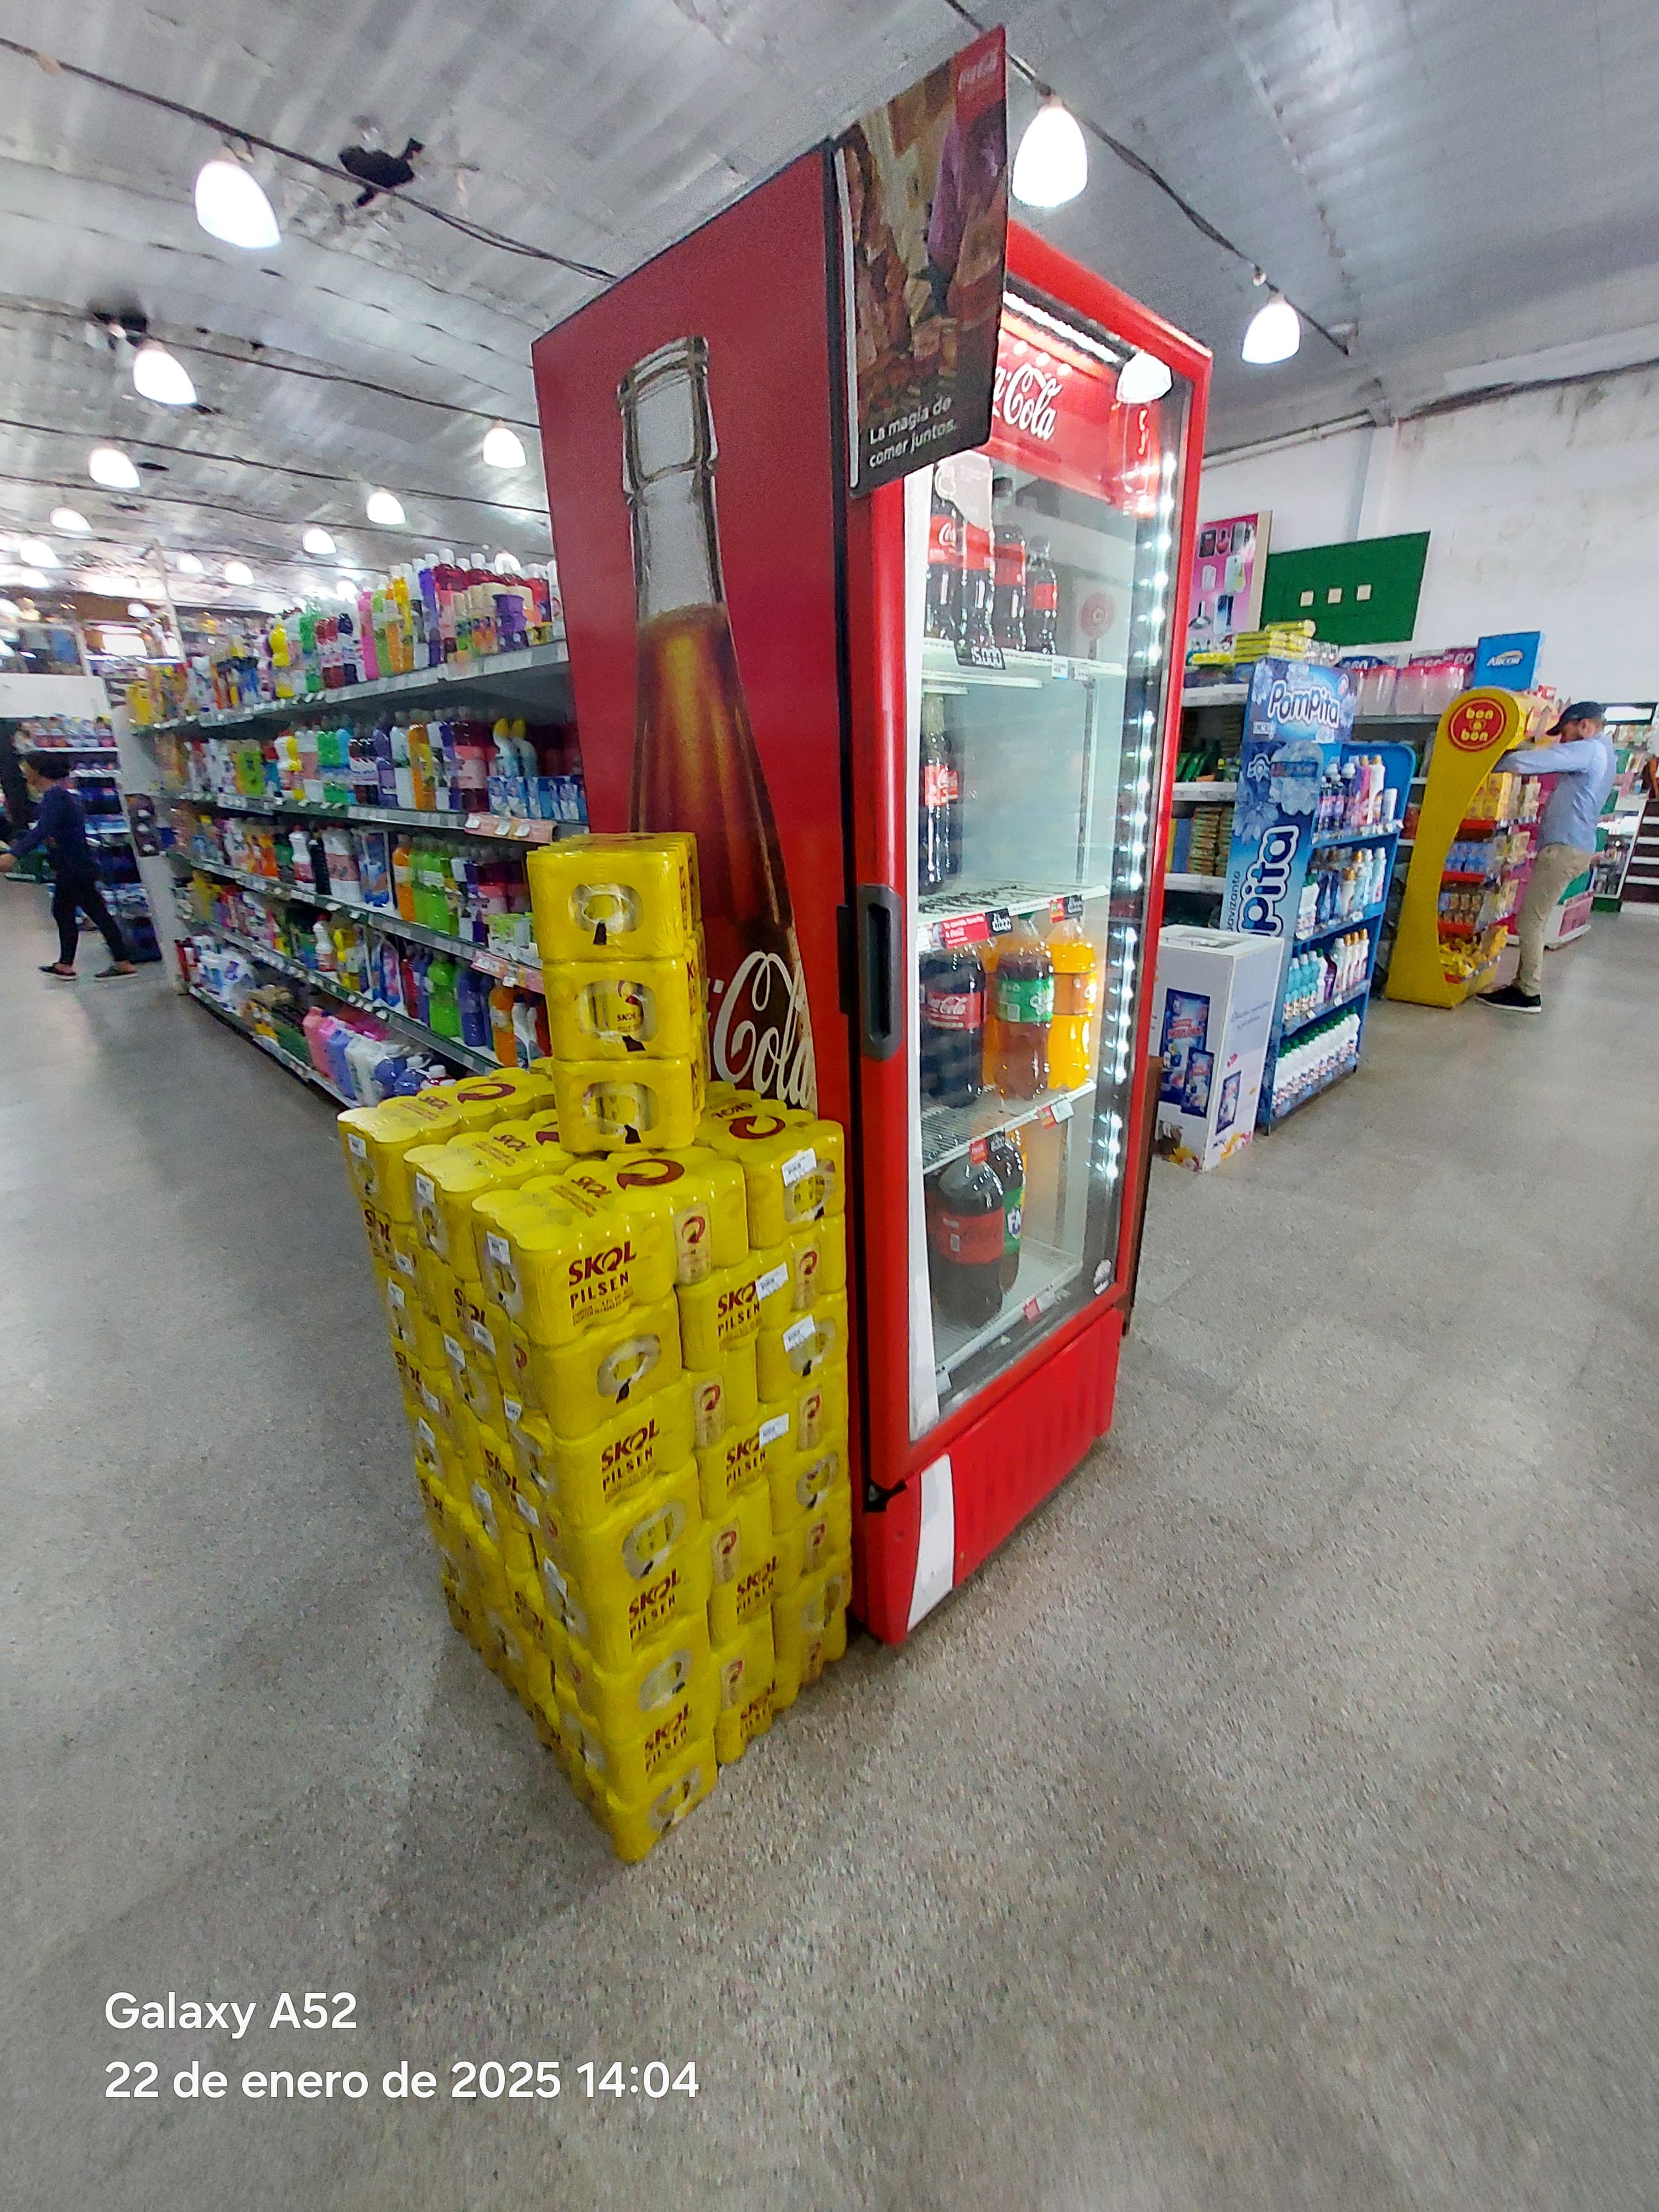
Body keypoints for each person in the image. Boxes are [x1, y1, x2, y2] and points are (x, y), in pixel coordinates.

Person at [1479, 701, 1615, 1014]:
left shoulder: (1590, 750)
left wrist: (1490, 760)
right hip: (1573, 847)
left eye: (1565, 733)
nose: (1562, 741)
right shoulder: (1605, 752)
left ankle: (1529, 992)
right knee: (1534, 918)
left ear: (1584, 726)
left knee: (1531, 920)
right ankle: (1521, 985)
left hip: (1565, 849)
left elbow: (1535, 761)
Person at [0, 752, 137, 978]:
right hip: (77, 864)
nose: (24, 774)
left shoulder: (55, 796)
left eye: (27, 768)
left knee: (74, 912)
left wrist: (14, 855)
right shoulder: (60, 795)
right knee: (89, 912)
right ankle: (111, 961)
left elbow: (43, 829)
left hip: (72, 866)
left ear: (38, 770)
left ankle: (82, 964)